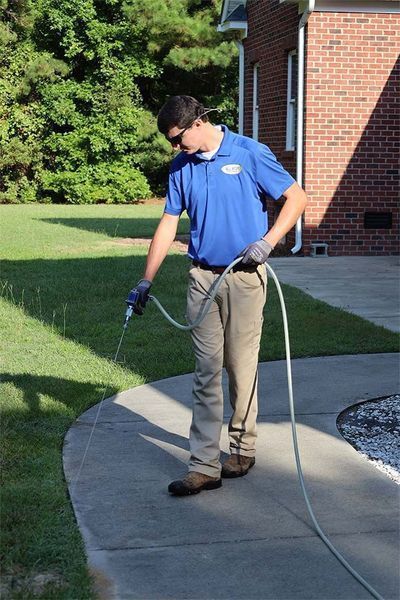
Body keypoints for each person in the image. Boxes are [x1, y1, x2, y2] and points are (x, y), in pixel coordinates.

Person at [130, 95, 307, 496]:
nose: (174, 148)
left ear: (196, 123)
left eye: (177, 139)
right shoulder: (181, 168)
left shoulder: (248, 153)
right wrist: (146, 280)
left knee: (241, 368)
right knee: (205, 371)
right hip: (201, 279)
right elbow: (168, 224)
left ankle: (242, 449)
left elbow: (296, 199)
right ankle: (204, 465)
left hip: (245, 278)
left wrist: (268, 241)